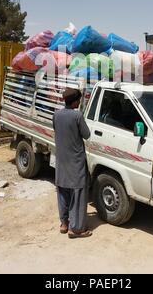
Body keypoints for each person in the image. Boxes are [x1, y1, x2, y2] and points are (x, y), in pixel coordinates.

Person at [53, 88, 92, 239]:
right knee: (78, 193)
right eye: (79, 100)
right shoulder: (77, 116)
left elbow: (57, 130)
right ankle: (76, 229)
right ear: (75, 102)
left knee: (63, 191)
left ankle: (64, 223)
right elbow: (87, 135)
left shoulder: (56, 115)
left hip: (62, 160)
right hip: (76, 161)